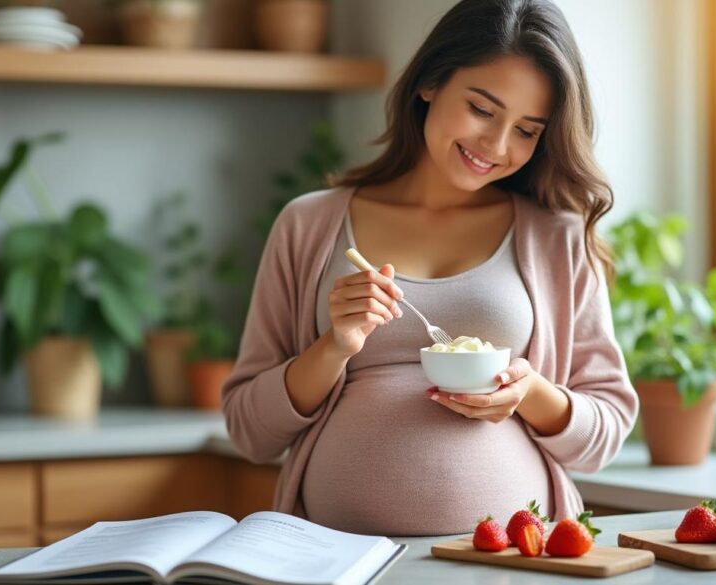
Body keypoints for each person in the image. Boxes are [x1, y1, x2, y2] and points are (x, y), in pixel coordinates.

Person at [222, 0, 638, 536]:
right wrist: (334, 348)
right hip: (335, 558)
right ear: (430, 83)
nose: (496, 144)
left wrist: (529, 394)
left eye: (527, 130)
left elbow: (604, 433)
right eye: (483, 110)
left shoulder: (556, 237)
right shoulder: (307, 224)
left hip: (511, 565)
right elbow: (249, 431)